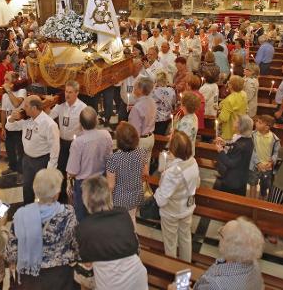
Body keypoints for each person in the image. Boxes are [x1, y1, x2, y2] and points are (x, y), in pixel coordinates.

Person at [4, 168, 78, 289]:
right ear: (56, 194)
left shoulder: (21, 215)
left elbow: (11, 253)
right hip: (60, 277)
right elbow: (76, 245)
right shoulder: (68, 213)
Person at [76, 176, 148, 290]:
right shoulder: (123, 214)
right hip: (137, 276)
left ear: (86, 201)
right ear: (108, 195)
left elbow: (87, 264)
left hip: (111, 283)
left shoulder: (84, 227)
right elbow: (135, 247)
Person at [5, 96, 60, 205]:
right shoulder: (27, 119)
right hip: (27, 159)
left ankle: (44, 213)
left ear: (34, 108)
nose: (23, 108)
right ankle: (28, 210)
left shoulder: (49, 124)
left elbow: (55, 149)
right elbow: (10, 127)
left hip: (42, 161)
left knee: (43, 190)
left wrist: (49, 171)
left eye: (26, 106)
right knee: (27, 188)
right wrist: (11, 118)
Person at [154, 131, 200, 262]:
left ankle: (172, 269)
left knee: (170, 243)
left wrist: (157, 191)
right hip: (188, 208)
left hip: (171, 212)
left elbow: (162, 200)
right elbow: (197, 184)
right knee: (185, 238)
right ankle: (187, 265)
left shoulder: (173, 172)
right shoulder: (193, 162)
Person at [188, 217, 264, 290]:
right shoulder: (254, 263)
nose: (218, 231)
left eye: (221, 233)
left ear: (229, 246)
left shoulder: (215, 285)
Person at [66, 107, 112, 221]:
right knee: (100, 214)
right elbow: (110, 158)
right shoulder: (106, 135)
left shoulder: (78, 142)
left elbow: (72, 171)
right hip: (101, 179)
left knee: (82, 218)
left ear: (80, 123)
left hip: (83, 184)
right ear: (96, 120)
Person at [47, 80, 87, 202]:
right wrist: (48, 104)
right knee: (61, 170)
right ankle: (63, 198)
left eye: (70, 92)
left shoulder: (83, 108)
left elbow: (86, 129)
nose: (67, 95)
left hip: (75, 144)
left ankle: (77, 197)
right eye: (66, 91)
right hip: (62, 143)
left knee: (75, 172)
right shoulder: (60, 106)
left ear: (77, 93)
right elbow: (49, 117)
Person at [106, 122, 149, 228]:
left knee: (119, 224)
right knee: (131, 218)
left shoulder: (113, 158)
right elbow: (145, 173)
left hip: (119, 199)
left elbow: (110, 185)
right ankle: (133, 240)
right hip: (136, 194)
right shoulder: (142, 152)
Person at [214, 115, 254, 196]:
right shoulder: (248, 139)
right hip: (241, 177)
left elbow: (230, 163)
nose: (233, 123)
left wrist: (221, 151)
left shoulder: (241, 145)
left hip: (233, 180)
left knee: (227, 201)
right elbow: (236, 145)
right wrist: (225, 143)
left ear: (241, 126)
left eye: (236, 122)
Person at [0, 71, 26, 180]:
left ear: (14, 81)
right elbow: (3, 111)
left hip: (20, 127)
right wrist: (3, 127)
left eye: (7, 80)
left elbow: (16, 103)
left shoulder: (22, 91)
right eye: (4, 79)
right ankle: (12, 167)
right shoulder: (5, 95)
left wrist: (8, 90)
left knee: (21, 151)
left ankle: (21, 172)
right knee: (10, 150)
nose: (4, 82)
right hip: (9, 127)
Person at [248, 115, 280, 200]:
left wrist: (272, 161)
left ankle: (261, 204)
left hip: (267, 167)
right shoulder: (252, 135)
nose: (256, 123)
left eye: (259, 123)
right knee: (253, 184)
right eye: (257, 121)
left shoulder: (274, 138)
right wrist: (258, 163)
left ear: (266, 127)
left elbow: (277, 152)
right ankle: (251, 203)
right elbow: (251, 150)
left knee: (264, 187)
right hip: (255, 166)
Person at [128, 77, 157, 159]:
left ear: (140, 90)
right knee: (146, 168)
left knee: (137, 169)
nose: (134, 88)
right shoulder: (152, 101)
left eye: (136, 86)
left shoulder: (137, 108)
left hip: (141, 142)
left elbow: (135, 132)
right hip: (150, 137)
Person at [217, 75, 248, 141]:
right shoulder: (244, 94)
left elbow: (224, 118)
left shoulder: (229, 100)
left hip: (229, 131)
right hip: (240, 128)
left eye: (229, 82)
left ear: (230, 86)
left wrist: (219, 112)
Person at [151, 71, 176, 135]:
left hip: (156, 118)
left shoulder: (153, 91)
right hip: (167, 118)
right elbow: (173, 103)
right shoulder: (171, 90)